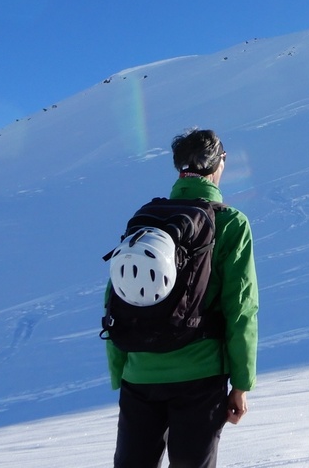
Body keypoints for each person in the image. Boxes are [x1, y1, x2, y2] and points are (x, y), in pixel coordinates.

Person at [106, 128, 259, 468]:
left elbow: (117, 293)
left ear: (179, 169)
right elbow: (242, 308)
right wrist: (242, 383)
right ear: (220, 164)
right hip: (200, 375)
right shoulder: (230, 222)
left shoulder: (145, 218)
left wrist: (121, 369)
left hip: (140, 373)